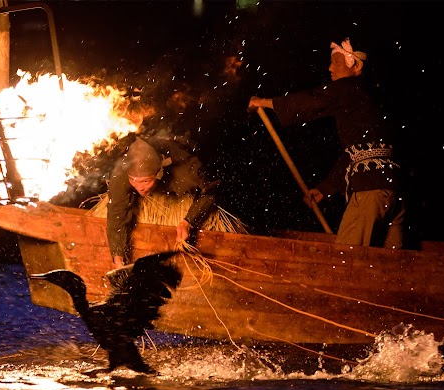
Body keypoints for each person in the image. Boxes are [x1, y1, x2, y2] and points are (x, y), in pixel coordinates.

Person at [248, 38, 406, 248]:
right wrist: (326, 188)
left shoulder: (348, 88)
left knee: (345, 261)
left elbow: (312, 100)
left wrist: (265, 102)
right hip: (395, 190)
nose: (330, 68)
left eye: (337, 63)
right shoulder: (370, 98)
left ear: (356, 66)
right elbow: (359, 152)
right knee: (391, 267)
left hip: (370, 190)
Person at [107, 135, 220, 269]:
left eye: (145, 181)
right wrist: (117, 256)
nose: (139, 187)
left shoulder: (185, 170)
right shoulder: (121, 174)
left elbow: (210, 190)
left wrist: (188, 222)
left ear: (158, 173)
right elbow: (117, 213)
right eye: (133, 180)